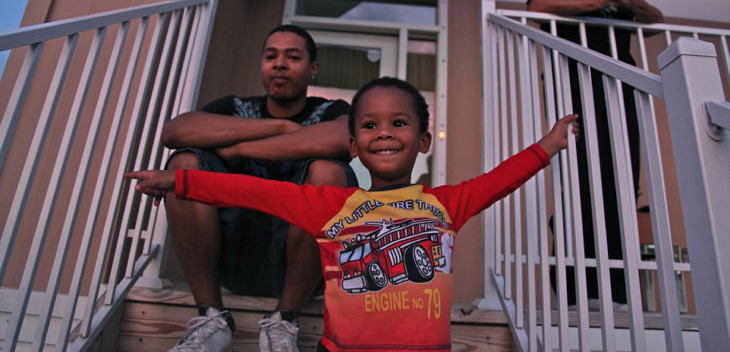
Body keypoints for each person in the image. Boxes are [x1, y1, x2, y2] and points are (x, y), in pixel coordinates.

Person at [126, 77, 578, 352]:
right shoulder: (331, 207)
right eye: (369, 125)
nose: (384, 132)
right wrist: (178, 181)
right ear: (354, 145)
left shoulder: (444, 205)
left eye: (399, 123)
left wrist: (548, 146)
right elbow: (250, 191)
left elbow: (499, 180)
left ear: (423, 141)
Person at [160, 24, 357, 352]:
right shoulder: (235, 107)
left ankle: (285, 320)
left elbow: (342, 138)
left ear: (313, 69)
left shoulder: (331, 111)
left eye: (293, 57)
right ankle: (212, 317)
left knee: (328, 173)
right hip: (232, 251)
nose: (280, 64)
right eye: (271, 56)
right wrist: (279, 127)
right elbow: (175, 131)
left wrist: (236, 149)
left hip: (301, 267)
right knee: (185, 165)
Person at [527, 0, 664, 308]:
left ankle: (615, 291)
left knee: (621, 184)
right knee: (578, 180)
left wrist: (633, 1)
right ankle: (574, 290)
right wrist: (598, 2)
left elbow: (655, 20)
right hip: (574, 87)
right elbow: (536, 9)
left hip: (618, 93)